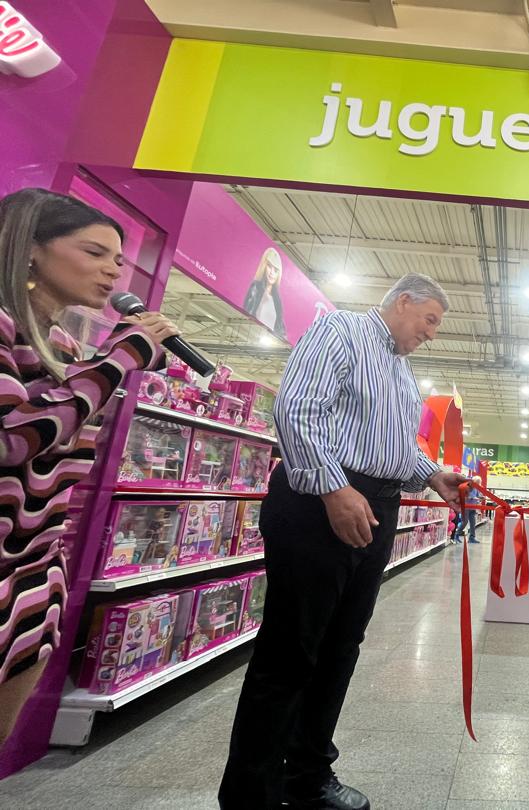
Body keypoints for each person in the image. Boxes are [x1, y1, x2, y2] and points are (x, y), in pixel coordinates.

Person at [219, 272, 467, 810]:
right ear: (404, 301)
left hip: (374, 507)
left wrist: (430, 474)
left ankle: (306, 776)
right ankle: (250, 793)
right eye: (430, 320)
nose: (432, 334)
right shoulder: (342, 332)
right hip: (318, 503)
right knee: (290, 651)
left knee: (340, 648)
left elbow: (393, 448)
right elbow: (298, 409)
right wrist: (334, 488)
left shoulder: (402, 372)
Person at [0, 188, 177, 746]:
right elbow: (13, 438)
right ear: (31, 249)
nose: (112, 273)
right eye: (93, 252)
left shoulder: (61, 345)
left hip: (33, 572)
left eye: (119, 260)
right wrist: (121, 357)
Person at [242, 247, 286, 338]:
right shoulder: (256, 289)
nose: (272, 273)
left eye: (276, 270)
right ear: (264, 266)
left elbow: (280, 328)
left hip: (268, 343)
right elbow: (246, 312)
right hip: (251, 336)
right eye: (269, 266)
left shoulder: (277, 300)